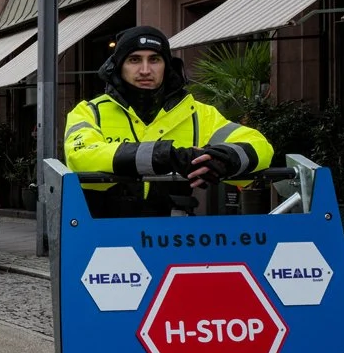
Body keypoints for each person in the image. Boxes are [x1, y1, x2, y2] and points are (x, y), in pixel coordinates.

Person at [63, 25, 272, 217]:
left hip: (172, 240)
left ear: (167, 66)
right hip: (103, 234)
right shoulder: (90, 112)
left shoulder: (199, 115)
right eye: (134, 60)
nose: (145, 70)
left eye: (154, 59)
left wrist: (224, 159)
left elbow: (261, 147)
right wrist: (165, 156)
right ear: (118, 67)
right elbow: (80, 157)